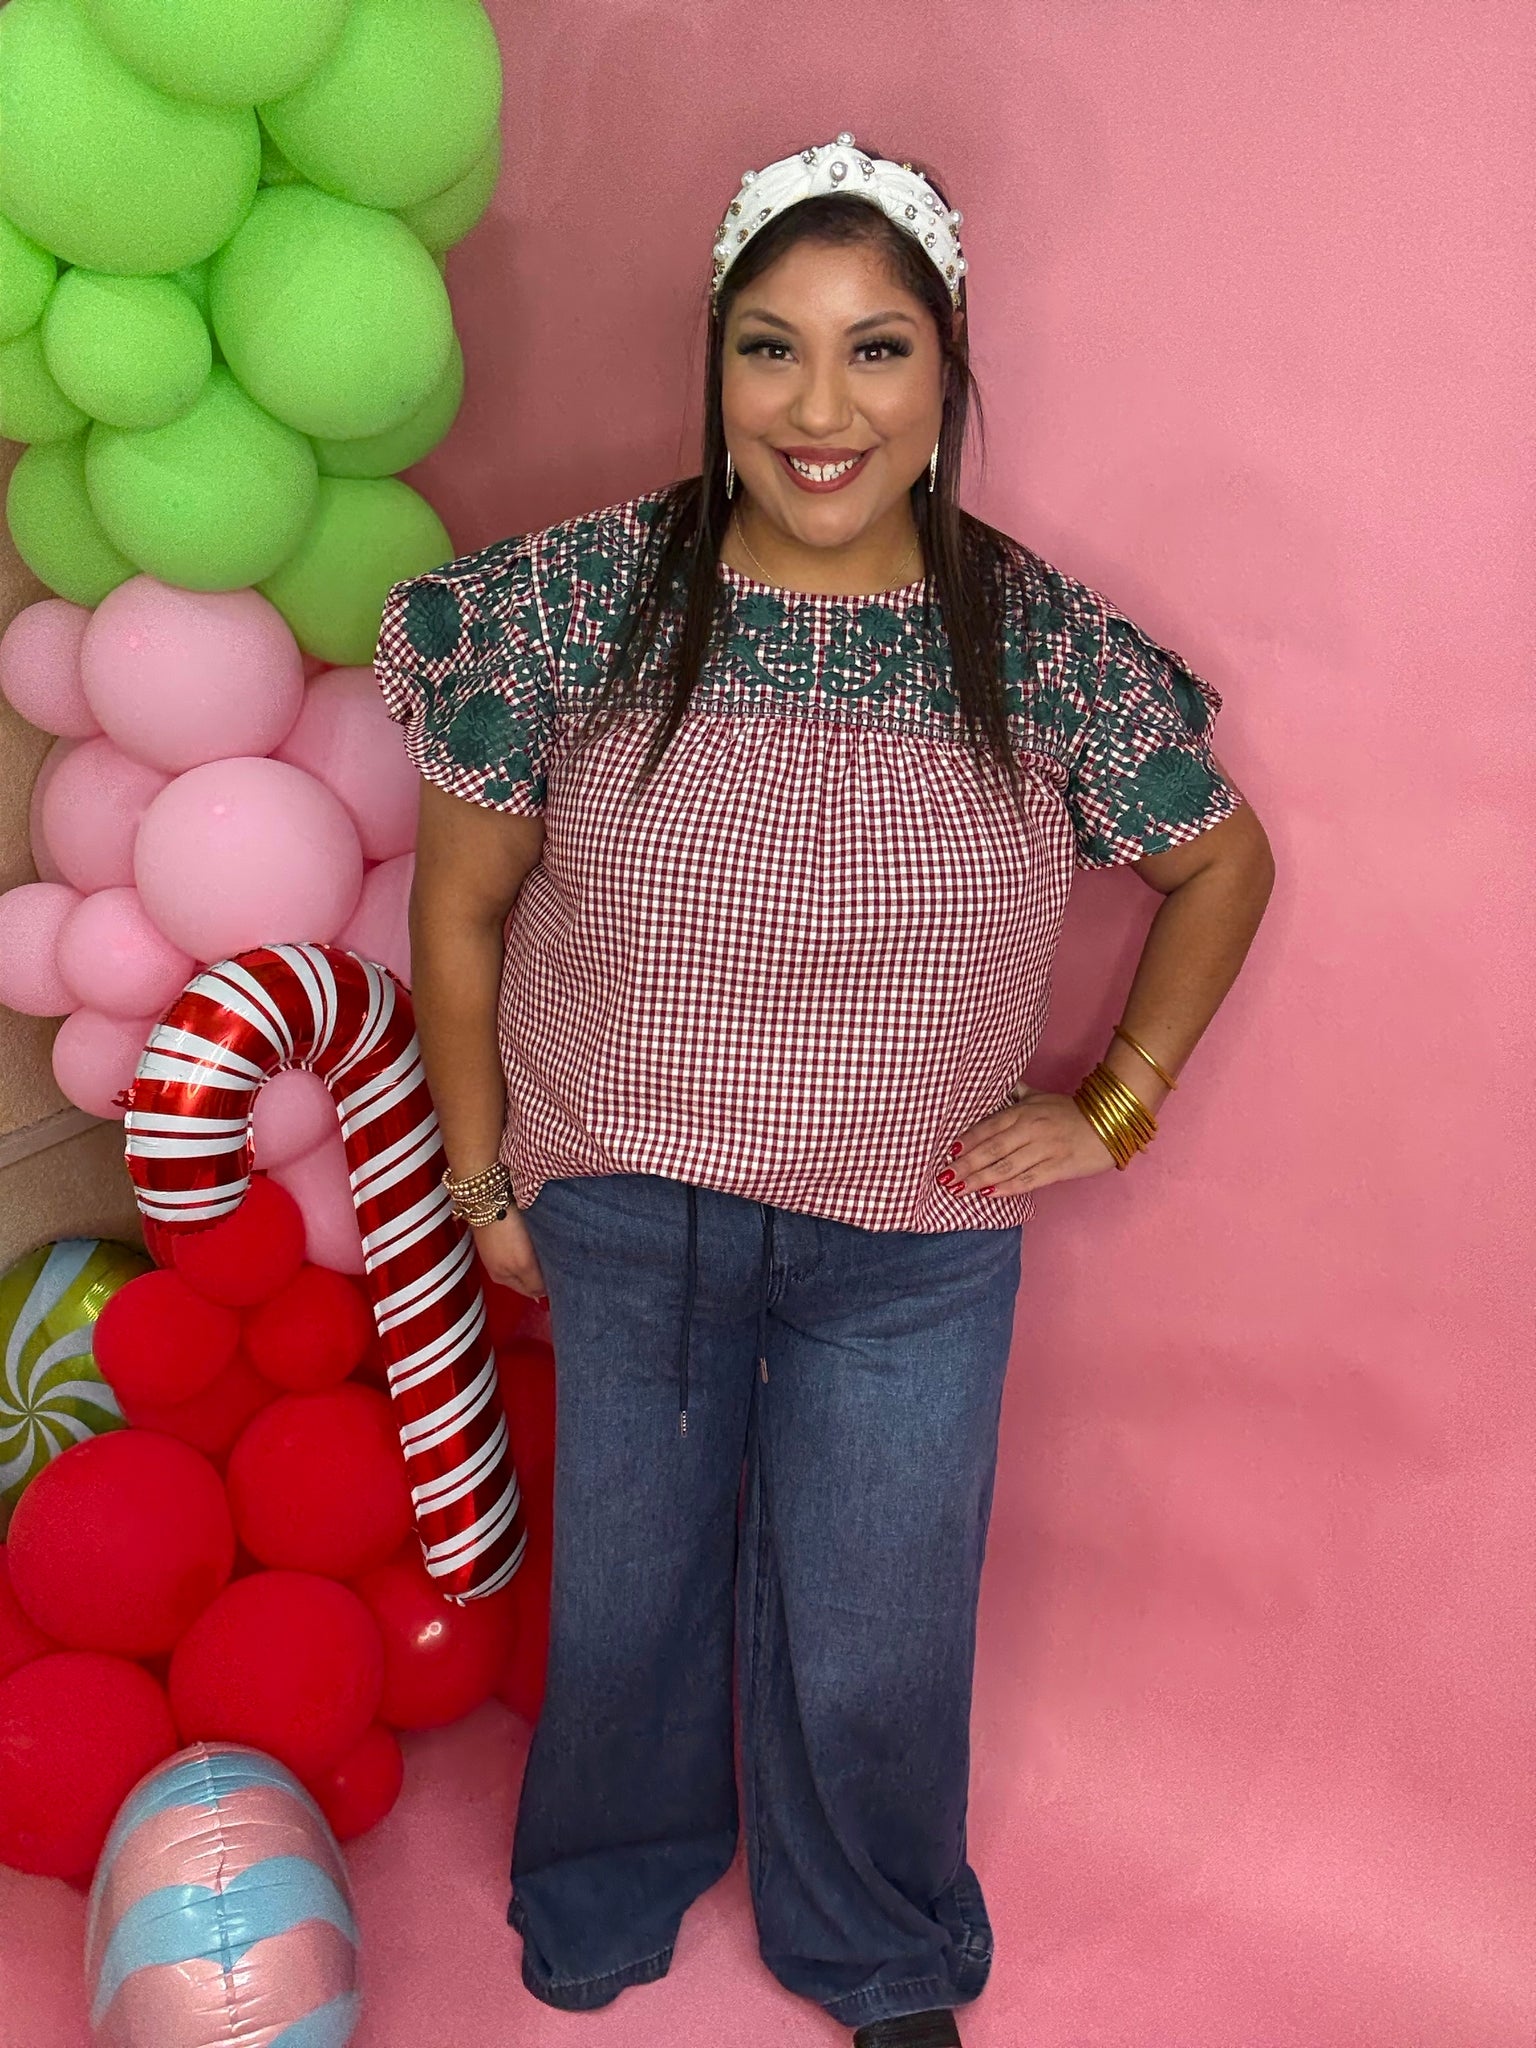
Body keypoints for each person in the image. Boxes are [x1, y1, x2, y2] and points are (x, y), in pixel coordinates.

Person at [375, 132, 1274, 2048]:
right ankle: (604, 1881)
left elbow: (1222, 863)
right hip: (634, 1206)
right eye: (770, 347)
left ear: (948, 376)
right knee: (629, 1590)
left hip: (910, 1243)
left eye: (877, 350)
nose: (819, 408)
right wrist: (482, 1177)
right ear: (713, 361)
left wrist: (1115, 1105)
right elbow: (460, 910)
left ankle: (875, 1946)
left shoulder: (1032, 641)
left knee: (880, 1621)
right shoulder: (575, 606)